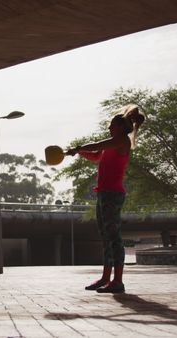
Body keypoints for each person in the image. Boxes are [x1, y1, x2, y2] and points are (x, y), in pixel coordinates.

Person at [66, 105, 144, 293]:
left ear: (119, 127)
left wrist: (78, 148)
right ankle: (105, 278)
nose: (109, 128)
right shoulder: (113, 143)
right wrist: (78, 152)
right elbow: (95, 156)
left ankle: (118, 282)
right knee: (106, 237)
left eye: (111, 125)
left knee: (114, 238)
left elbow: (98, 145)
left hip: (113, 194)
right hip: (103, 193)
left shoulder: (122, 141)